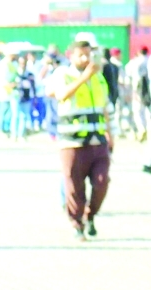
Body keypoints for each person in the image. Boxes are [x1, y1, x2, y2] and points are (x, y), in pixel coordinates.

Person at [50, 40, 113, 240]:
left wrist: (111, 133)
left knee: (102, 182)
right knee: (75, 188)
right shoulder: (63, 74)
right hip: (73, 142)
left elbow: (105, 108)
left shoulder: (98, 77)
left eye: (88, 55)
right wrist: (84, 77)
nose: (86, 59)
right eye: (81, 55)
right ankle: (77, 225)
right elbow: (61, 95)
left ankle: (90, 215)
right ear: (71, 56)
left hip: (98, 140)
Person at [126, 46, 150, 143]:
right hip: (148, 90)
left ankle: (141, 129)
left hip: (139, 89)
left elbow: (132, 77)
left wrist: (133, 92)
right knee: (148, 113)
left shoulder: (135, 62)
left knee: (138, 111)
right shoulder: (149, 61)